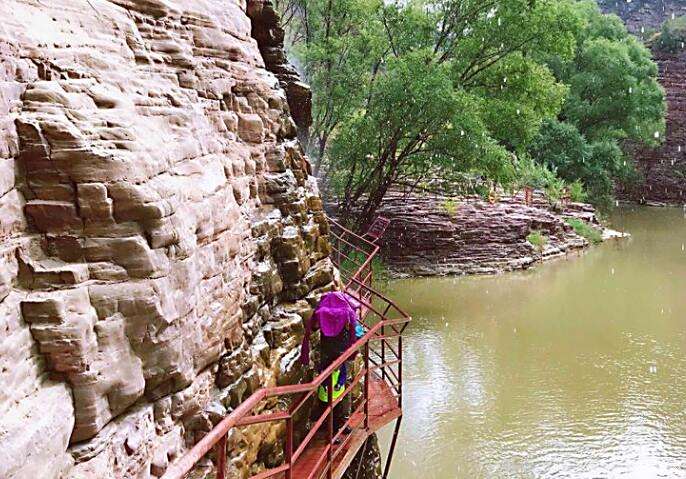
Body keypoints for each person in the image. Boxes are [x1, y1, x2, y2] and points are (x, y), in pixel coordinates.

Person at [301, 291, 361, 438]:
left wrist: (305, 357)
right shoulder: (347, 311)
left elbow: (313, 328)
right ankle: (338, 425)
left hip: (327, 353)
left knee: (326, 387)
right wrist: (352, 352)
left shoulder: (322, 311)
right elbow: (355, 332)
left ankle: (329, 425)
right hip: (342, 354)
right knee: (341, 388)